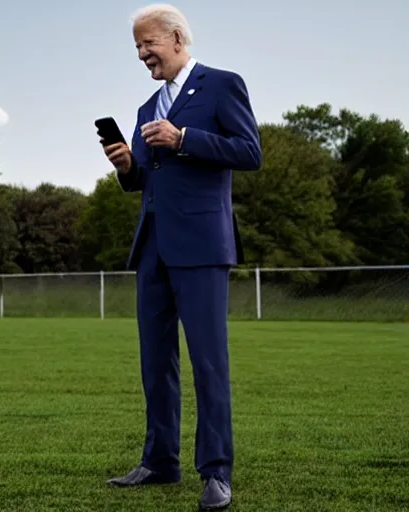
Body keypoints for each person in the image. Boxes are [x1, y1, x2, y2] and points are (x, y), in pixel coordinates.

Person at [100, 4, 262, 510]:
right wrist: (127, 166)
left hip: (201, 246)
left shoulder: (222, 84)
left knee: (209, 364)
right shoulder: (148, 107)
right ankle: (160, 461)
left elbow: (249, 151)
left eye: (147, 43)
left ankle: (216, 472)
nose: (142, 53)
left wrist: (185, 137)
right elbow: (148, 180)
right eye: (136, 47)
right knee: (156, 363)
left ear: (175, 37)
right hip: (153, 248)